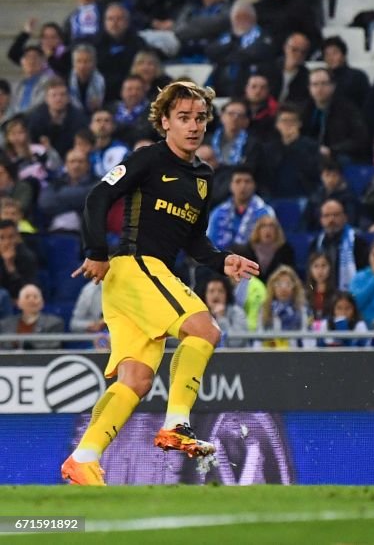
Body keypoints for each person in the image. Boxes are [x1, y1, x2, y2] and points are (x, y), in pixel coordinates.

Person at [62, 80, 260, 486]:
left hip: (141, 282)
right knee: (205, 329)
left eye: (200, 118)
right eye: (183, 118)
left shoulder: (203, 177)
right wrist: (96, 250)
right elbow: (97, 198)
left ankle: (84, 457)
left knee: (136, 379)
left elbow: (194, 241)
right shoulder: (147, 159)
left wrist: (225, 261)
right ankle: (177, 425)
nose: (193, 126)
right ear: (165, 121)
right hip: (135, 268)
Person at [0, 284, 63, 350]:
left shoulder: (54, 323)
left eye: (35, 297)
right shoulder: (5, 324)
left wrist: (27, 345)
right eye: (27, 297)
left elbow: (53, 346)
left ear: (42, 303)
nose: (31, 300)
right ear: (18, 303)